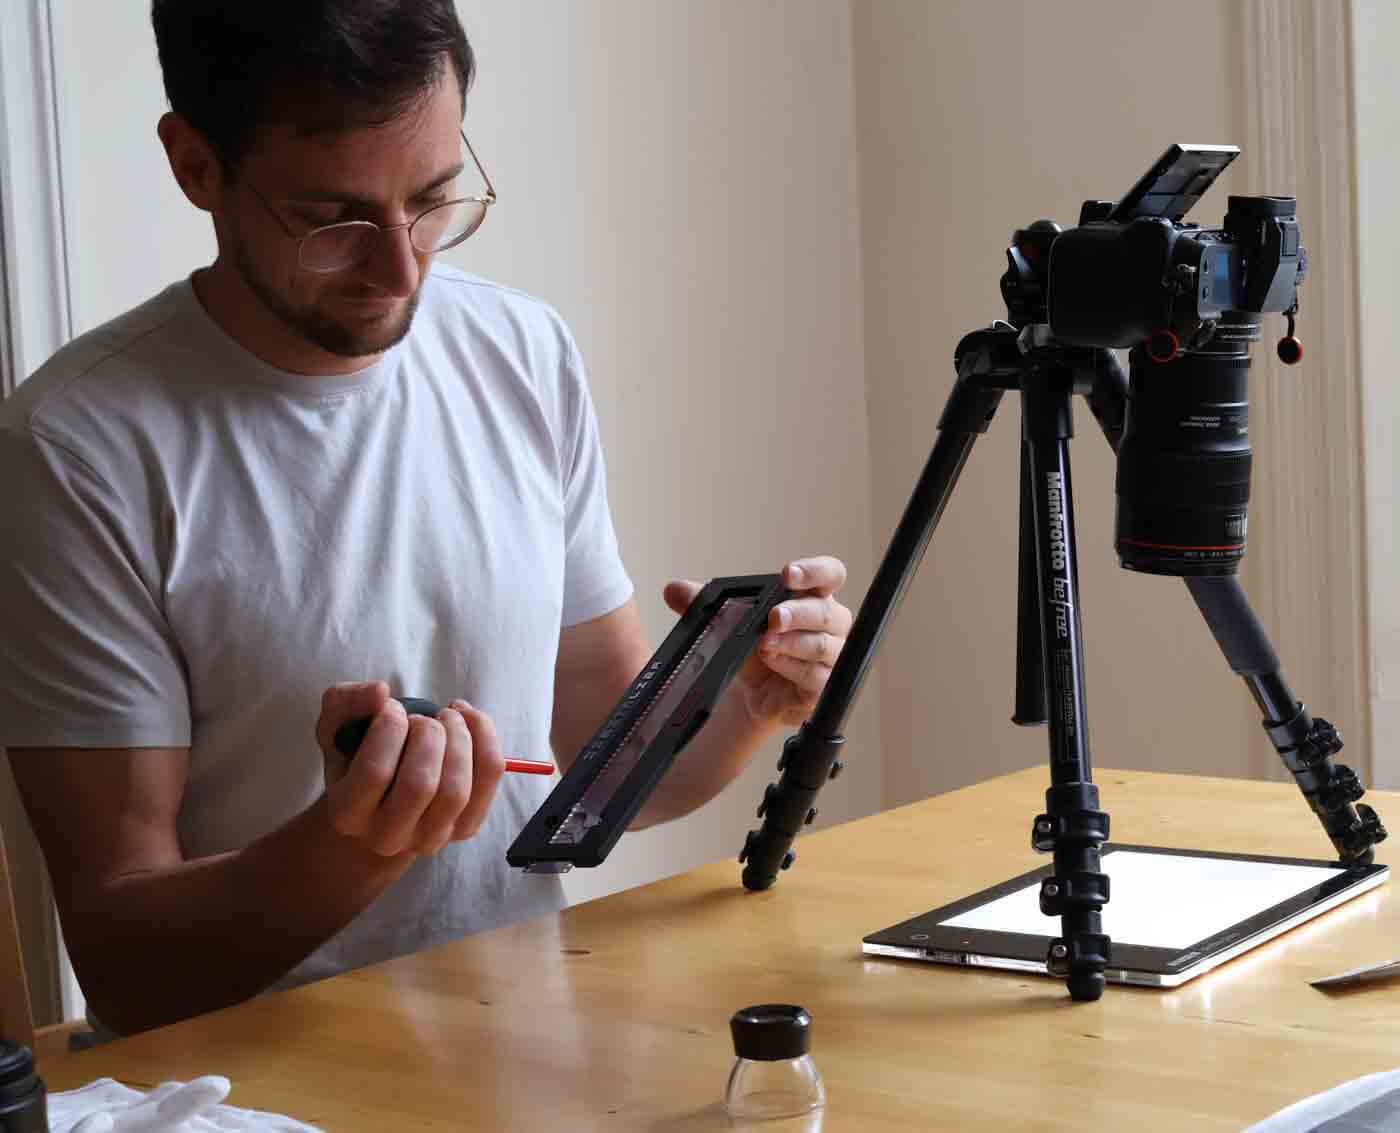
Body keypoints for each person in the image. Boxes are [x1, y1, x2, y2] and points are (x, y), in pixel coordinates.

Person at [0, 0, 853, 1037]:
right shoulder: (76, 445)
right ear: (196, 166)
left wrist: (745, 701)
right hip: (250, 1087)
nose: (402, 271)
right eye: (332, 221)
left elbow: (596, 766)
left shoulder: (520, 352)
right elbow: (127, 962)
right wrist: (350, 846)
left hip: (526, 1044)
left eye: (434, 199)